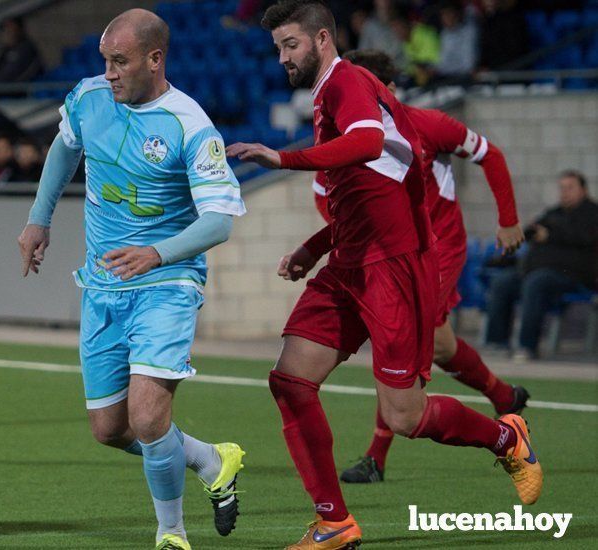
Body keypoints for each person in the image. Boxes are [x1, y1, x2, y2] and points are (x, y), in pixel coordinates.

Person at [226, 2, 541, 548]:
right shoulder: (335, 94)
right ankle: (334, 523)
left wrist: (282, 159)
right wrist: (313, 247)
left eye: (291, 45)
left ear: (323, 39)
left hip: (395, 270)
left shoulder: (346, 83)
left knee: (405, 417)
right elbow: (366, 193)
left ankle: (504, 436)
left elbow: (369, 143)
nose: (282, 58)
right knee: (290, 382)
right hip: (351, 263)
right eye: (277, 47)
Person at [17, 9, 246, 549]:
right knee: (110, 429)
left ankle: (171, 533)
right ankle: (213, 460)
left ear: (154, 59)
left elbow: (218, 221)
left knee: (147, 417)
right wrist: (38, 217)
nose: (110, 72)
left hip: (166, 284)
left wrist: (158, 254)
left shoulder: (189, 124)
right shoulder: (88, 97)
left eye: (120, 62)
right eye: (106, 61)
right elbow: (64, 148)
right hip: (102, 286)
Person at [326, 49, 530, 484]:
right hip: (391, 255)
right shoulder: (349, 131)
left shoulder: (430, 124)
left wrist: (509, 219)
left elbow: (489, 155)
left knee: (402, 347)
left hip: (437, 252)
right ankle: (504, 395)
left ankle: (376, 457)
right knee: (438, 344)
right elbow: (323, 192)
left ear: (391, 91)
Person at [486, 170, 598, 360]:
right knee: (503, 282)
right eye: (562, 188)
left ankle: (527, 346)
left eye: (570, 188)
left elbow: (583, 237)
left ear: (583, 190)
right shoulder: (554, 212)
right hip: (539, 270)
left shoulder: (592, 213)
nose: (565, 192)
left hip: (574, 275)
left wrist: (550, 235)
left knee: (536, 282)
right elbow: (533, 230)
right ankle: (497, 343)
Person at [434, 1, 478, 81]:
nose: (446, 18)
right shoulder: (445, 34)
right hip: (446, 78)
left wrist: (441, 70)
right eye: (443, 15)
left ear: (458, 14)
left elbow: (468, 66)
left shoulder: (469, 32)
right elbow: (442, 61)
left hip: (464, 79)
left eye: (449, 14)